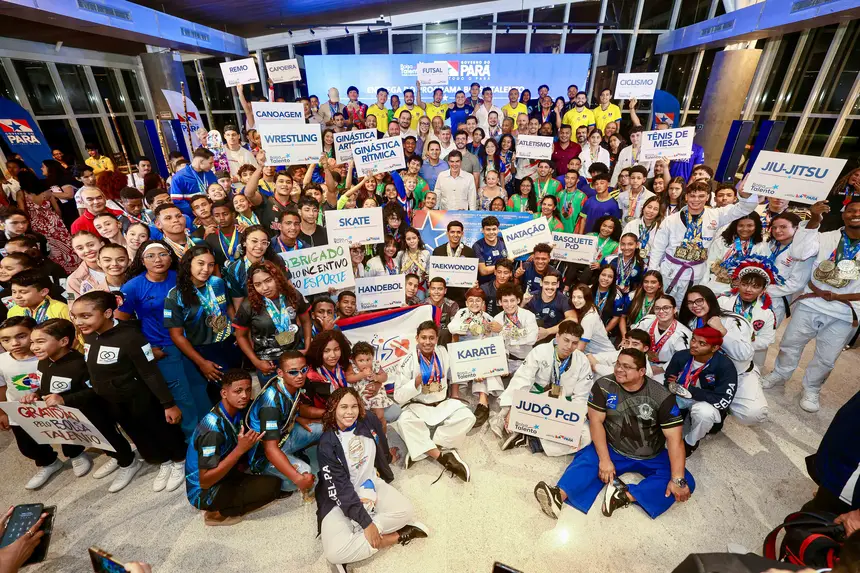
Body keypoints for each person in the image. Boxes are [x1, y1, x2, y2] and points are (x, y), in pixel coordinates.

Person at [533, 348, 694, 520]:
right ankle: (558, 496)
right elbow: (596, 422)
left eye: (626, 367)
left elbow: (675, 440)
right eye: (618, 364)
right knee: (588, 460)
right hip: (613, 446)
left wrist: (677, 479)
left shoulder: (661, 396)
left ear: (641, 371)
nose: (619, 369)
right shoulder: (603, 385)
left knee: (685, 482)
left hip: (651, 453)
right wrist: (604, 460)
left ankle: (623, 496)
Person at [72, 291, 187, 492]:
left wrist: (168, 404)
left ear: (107, 313)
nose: (78, 322)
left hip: (140, 397)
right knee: (139, 434)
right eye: (75, 316)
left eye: (86, 316)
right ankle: (164, 461)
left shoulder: (130, 336)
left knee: (160, 430)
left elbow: (150, 372)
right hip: (113, 400)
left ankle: (179, 461)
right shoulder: (88, 334)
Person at [762, 200, 860, 413]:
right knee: (790, 343)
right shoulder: (825, 237)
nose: (856, 214)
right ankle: (780, 373)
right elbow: (799, 252)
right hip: (812, 300)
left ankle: (812, 388)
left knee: (827, 357)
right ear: (843, 214)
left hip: (845, 308)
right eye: (851, 210)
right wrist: (815, 219)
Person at [23, 318, 142, 492]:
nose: (34, 347)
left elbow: (95, 390)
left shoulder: (80, 364)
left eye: (40, 342)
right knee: (97, 442)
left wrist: (65, 400)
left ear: (63, 341)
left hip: (94, 413)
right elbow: (45, 386)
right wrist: (36, 394)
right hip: (70, 417)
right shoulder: (43, 361)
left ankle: (129, 463)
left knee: (109, 438)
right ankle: (115, 457)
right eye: (32, 342)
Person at [316, 387, 427, 571]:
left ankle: (360, 538)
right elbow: (340, 489)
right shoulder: (327, 443)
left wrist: (387, 457)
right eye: (343, 407)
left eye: (354, 406)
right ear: (333, 409)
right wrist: (367, 524)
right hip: (339, 497)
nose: (350, 412)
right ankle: (394, 537)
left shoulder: (368, 419)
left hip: (370, 483)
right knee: (333, 554)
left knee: (406, 512)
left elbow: (381, 440)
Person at [185, 369, 282, 526]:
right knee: (273, 488)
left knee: (274, 483)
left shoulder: (234, 411)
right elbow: (205, 481)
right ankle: (217, 514)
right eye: (238, 391)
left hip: (225, 473)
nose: (244, 395)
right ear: (224, 393)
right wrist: (240, 450)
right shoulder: (212, 431)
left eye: (248, 390)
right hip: (205, 492)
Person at [0, 316, 87, 490]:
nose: (14, 343)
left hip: (54, 407)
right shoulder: (2, 361)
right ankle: (49, 462)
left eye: (21, 336)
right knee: (27, 445)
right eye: (6, 339)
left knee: (67, 434)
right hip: (21, 411)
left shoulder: (48, 356)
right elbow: (2, 387)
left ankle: (76, 455)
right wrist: (3, 412)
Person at [649, 179, 759, 302]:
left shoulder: (716, 215)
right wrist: (652, 273)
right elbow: (658, 248)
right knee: (665, 303)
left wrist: (745, 195)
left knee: (689, 306)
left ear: (707, 197)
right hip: (670, 271)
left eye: (701, 196)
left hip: (696, 273)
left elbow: (744, 209)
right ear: (686, 197)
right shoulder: (670, 220)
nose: (696, 200)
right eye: (692, 196)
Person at [393, 321, 474, 480]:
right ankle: (442, 457)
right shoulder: (406, 361)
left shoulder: (443, 352)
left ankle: (425, 448)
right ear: (417, 338)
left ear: (436, 339)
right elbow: (398, 396)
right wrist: (416, 382)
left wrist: (456, 394)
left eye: (431, 338)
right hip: (418, 406)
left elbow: (455, 373)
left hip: (443, 403)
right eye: (423, 337)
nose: (427, 342)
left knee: (468, 417)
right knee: (403, 422)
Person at [498, 320, 593, 455]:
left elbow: (582, 396)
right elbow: (523, 379)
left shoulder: (582, 361)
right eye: (566, 340)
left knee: (585, 436)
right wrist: (514, 408)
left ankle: (531, 440)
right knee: (507, 411)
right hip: (536, 402)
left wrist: (573, 425)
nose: (569, 346)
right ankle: (530, 431)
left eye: (574, 343)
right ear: (557, 336)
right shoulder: (540, 351)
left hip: (562, 408)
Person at [244, 350, 323, 495]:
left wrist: (328, 413)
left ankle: (295, 458)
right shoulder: (270, 405)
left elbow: (294, 408)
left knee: (322, 428)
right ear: (280, 373)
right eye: (293, 372)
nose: (300, 376)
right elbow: (270, 450)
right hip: (264, 456)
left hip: (283, 437)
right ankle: (272, 478)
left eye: (303, 370)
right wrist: (298, 479)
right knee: (304, 474)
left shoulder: (290, 385)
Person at [165, 246, 240, 390]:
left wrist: (237, 331)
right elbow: (176, 335)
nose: (206, 269)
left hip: (230, 344)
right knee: (227, 389)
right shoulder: (175, 295)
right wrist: (201, 362)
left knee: (239, 385)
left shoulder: (217, 283)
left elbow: (229, 307)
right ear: (189, 264)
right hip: (204, 350)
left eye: (210, 265)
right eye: (200, 263)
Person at [664, 326, 738, 456]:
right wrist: (672, 385)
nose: (694, 345)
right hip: (682, 395)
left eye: (702, 343)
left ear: (714, 348)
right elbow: (668, 380)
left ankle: (690, 442)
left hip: (706, 402)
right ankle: (680, 416)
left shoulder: (726, 366)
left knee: (704, 414)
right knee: (659, 399)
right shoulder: (681, 356)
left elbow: (723, 400)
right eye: (693, 340)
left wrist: (689, 389)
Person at [233, 261, 311, 384]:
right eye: (258, 284)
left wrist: (307, 347)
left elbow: (306, 321)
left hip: (295, 358)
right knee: (273, 396)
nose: (265, 288)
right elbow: (241, 336)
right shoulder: (248, 305)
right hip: (268, 364)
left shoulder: (292, 295)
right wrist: (256, 362)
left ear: (277, 277)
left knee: (301, 394)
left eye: (268, 280)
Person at [447, 288, 503, 425]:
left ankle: (483, 402)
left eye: (478, 301)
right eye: (471, 301)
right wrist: (472, 326)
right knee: (454, 357)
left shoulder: (488, 318)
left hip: (480, 355)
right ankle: (455, 395)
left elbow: (495, 341)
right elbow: (452, 327)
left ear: (483, 303)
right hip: (464, 354)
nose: (474, 303)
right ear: (466, 303)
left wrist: (499, 329)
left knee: (487, 365)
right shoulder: (462, 313)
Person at [717, 260, 778, 372]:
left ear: (763, 289)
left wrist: (741, 343)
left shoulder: (767, 314)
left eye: (755, 286)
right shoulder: (722, 302)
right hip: (718, 352)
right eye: (744, 284)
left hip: (745, 360)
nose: (748, 290)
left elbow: (766, 340)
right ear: (738, 284)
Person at [16, 172, 78, 274]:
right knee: (66, 244)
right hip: (54, 221)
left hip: (37, 224)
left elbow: (22, 212)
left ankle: (60, 271)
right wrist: (58, 221)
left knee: (50, 247)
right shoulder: (46, 190)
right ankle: (76, 265)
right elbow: (57, 210)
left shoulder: (21, 193)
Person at [766, 211, 818, 327]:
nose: (777, 231)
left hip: (777, 299)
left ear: (796, 228)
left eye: (783, 227)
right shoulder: (771, 245)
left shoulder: (804, 252)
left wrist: (765, 290)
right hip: (756, 293)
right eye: (774, 227)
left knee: (765, 330)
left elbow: (796, 284)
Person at [701, 213, 768, 296]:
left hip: (747, 290)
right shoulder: (721, 241)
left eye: (750, 225)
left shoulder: (762, 246)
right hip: (718, 286)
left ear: (756, 226)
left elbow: (764, 271)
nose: (745, 229)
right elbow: (709, 265)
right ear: (735, 225)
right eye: (741, 225)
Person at [633, 294, 691, 383]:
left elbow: (683, 358)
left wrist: (660, 369)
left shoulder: (683, 334)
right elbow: (632, 337)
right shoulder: (647, 320)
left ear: (675, 309)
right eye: (657, 308)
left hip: (664, 369)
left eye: (666, 308)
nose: (661, 311)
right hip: (640, 359)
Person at [431, 221, 476, 306]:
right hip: (443, 295)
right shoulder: (438, 251)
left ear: (462, 234)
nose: (455, 235)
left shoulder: (469, 252)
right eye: (452, 232)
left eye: (458, 232)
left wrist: (474, 282)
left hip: (462, 295)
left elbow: (473, 275)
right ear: (447, 233)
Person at [525, 271, 576, 342]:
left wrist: (548, 331)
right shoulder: (531, 296)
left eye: (553, 284)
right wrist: (523, 303)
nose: (550, 287)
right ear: (541, 283)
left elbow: (573, 319)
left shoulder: (563, 299)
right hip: (531, 335)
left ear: (558, 284)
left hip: (552, 338)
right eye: (546, 283)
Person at [169, 148, 218, 218]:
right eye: (210, 163)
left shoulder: (210, 173)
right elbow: (178, 201)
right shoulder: (179, 177)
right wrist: (197, 212)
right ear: (201, 162)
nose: (212, 166)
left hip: (213, 214)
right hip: (194, 218)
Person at [7, 270, 71, 324]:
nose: (17, 296)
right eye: (14, 292)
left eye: (23, 292)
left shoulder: (61, 309)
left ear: (43, 292)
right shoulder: (13, 311)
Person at [623, 196, 663, 266]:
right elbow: (622, 245)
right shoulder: (631, 225)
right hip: (630, 263)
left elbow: (660, 251)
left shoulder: (661, 228)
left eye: (655, 209)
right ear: (643, 208)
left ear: (658, 213)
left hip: (651, 264)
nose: (651, 211)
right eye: (649, 207)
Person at [472, 216, 508, 285]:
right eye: (488, 229)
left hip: (505, 284)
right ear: (482, 230)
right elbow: (483, 271)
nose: (491, 232)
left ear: (498, 230)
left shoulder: (505, 241)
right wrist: (507, 262)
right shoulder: (477, 246)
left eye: (494, 229)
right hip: (486, 285)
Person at [425, 277, 459, 344]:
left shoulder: (452, 305)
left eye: (440, 289)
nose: (436, 292)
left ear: (445, 291)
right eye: (433, 289)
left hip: (445, 341)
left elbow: (456, 328)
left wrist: (453, 348)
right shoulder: (422, 305)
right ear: (429, 290)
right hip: (427, 341)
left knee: (445, 332)